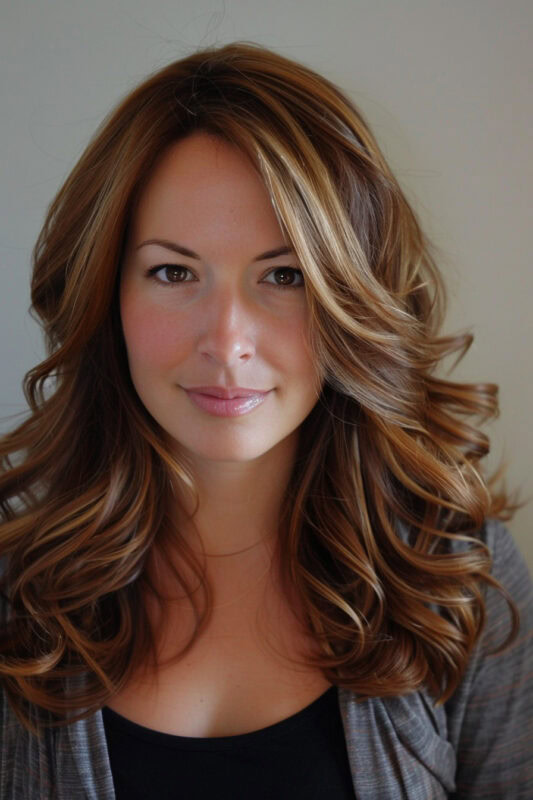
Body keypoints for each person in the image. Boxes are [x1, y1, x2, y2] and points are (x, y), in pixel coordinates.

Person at [0, 41, 531, 800]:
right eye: (173, 272)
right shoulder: (16, 598)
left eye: (283, 276)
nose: (225, 342)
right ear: (105, 295)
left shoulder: (456, 582)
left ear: (350, 295)